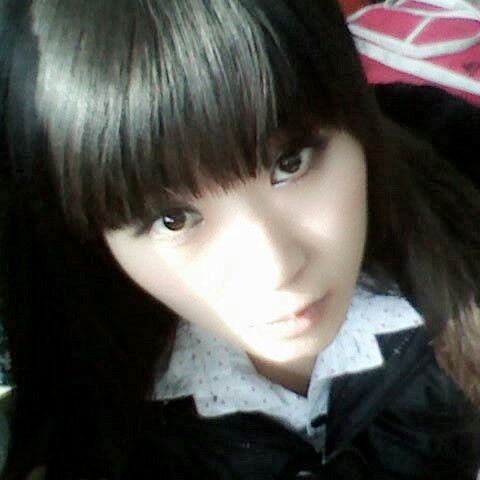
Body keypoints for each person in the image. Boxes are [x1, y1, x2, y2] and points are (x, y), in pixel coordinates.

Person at [0, 0, 479, 478]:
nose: (275, 268)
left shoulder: (459, 212)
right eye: (173, 219)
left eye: (290, 164)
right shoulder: (101, 420)